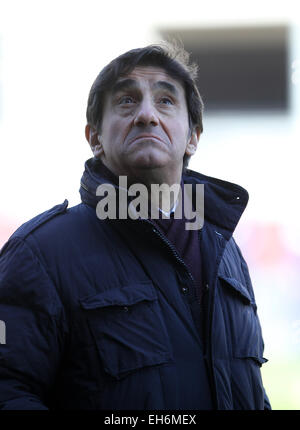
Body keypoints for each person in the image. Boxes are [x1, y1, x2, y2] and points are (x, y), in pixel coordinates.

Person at [0, 41, 271, 410]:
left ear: (193, 136)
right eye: (127, 101)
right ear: (94, 138)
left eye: (165, 101)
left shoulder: (227, 253)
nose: (147, 115)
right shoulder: (40, 253)